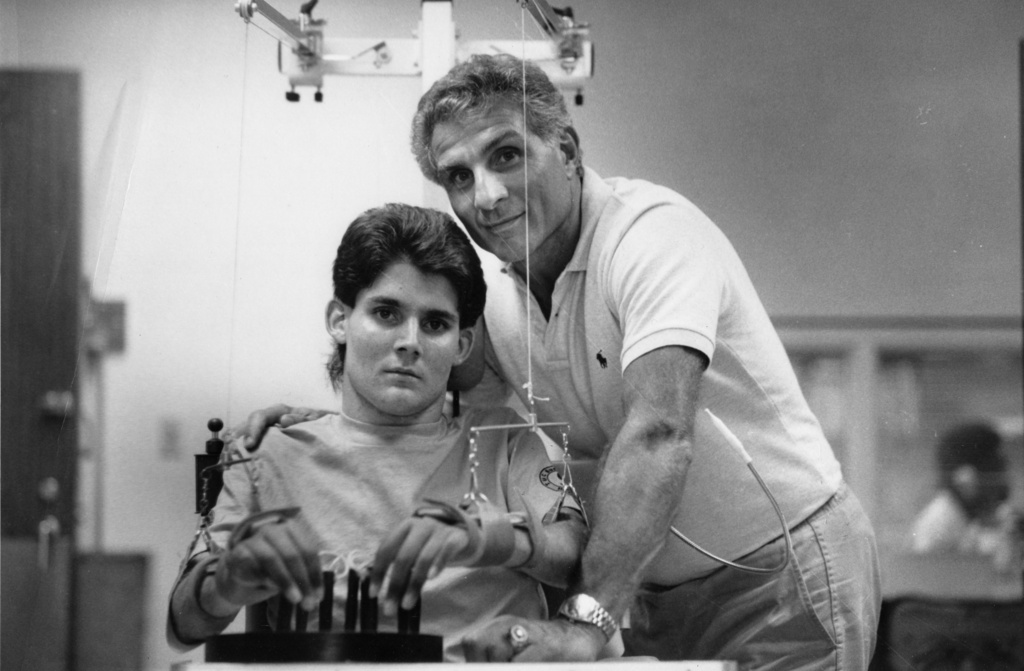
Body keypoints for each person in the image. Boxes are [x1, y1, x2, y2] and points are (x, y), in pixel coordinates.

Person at [236, 55, 882, 669]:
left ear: (568, 150)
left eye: (507, 155)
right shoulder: (495, 297)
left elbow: (659, 433)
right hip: (643, 589)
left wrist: (586, 621)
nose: (485, 196)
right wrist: (321, 428)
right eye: (458, 176)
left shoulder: (651, 236)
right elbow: (430, 400)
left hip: (776, 572)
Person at [167, 203, 587, 662]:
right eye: (387, 313)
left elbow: (578, 560)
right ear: (339, 320)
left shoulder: (505, 443)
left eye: (435, 323)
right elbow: (183, 626)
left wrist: (496, 538)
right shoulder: (268, 452)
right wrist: (228, 581)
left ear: (462, 344)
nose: (410, 341)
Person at [911, 422, 1018, 570]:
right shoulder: (940, 524)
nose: (1001, 479)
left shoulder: (983, 517)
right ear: (966, 477)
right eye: (994, 468)